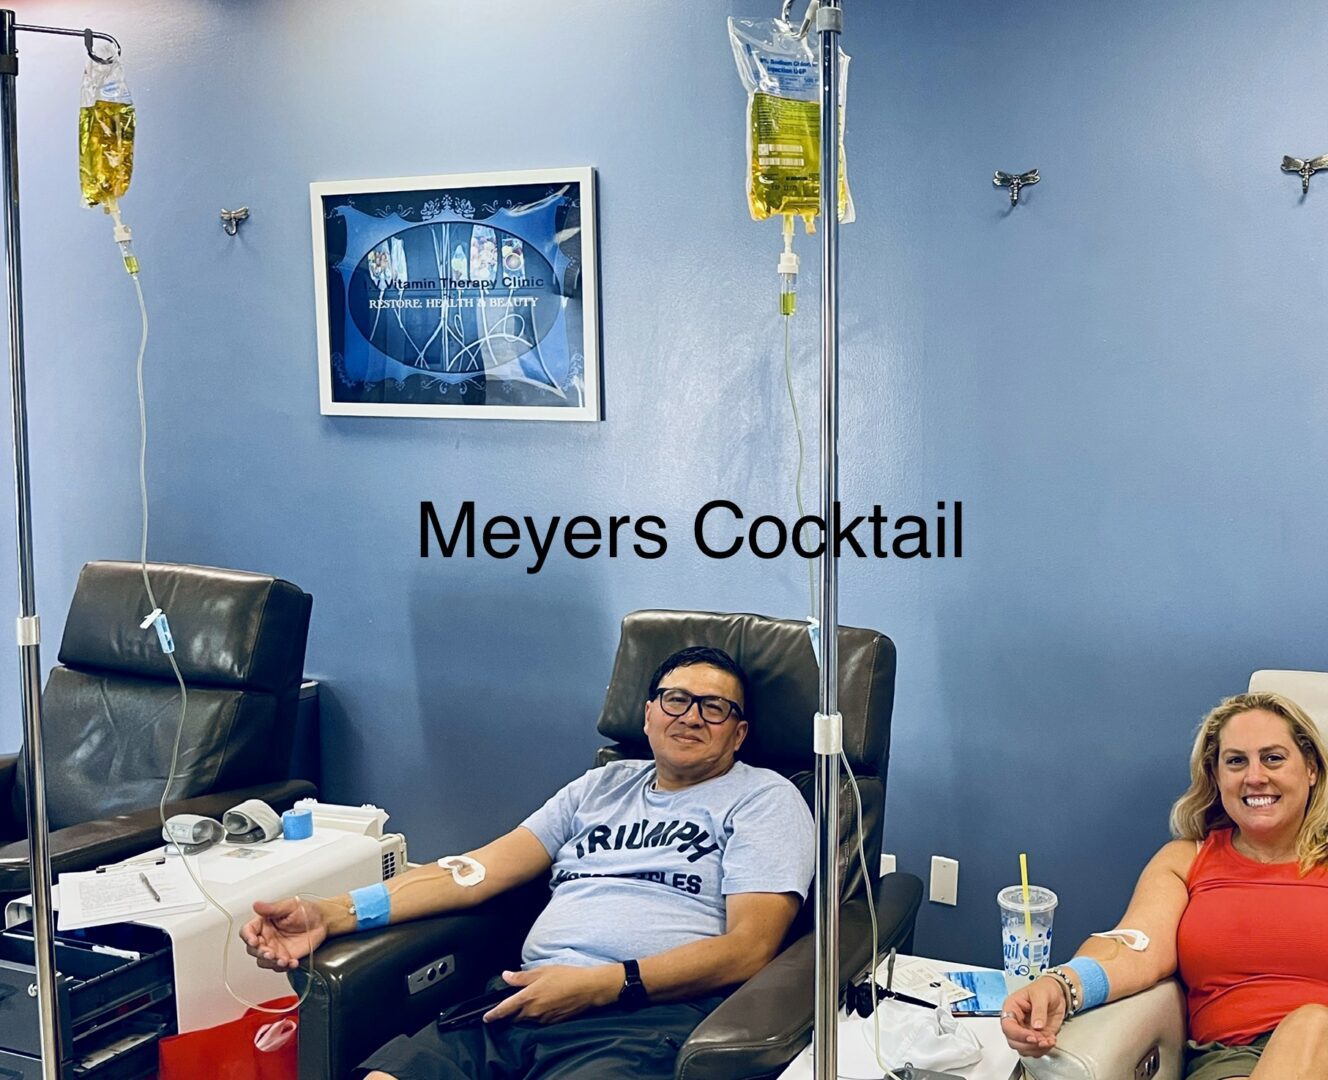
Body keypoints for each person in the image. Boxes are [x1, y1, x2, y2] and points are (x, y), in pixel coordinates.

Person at [241, 645, 816, 1080]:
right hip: (515, 1001)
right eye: (676, 699)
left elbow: (749, 947)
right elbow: (474, 872)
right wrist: (335, 913)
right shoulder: (599, 786)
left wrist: (600, 986)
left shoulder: (764, 798)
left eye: (714, 708)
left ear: (739, 734)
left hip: (644, 1017)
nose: (691, 717)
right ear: (647, 716)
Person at [1002, 691, 1328, 1080]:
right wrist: (1060, 986)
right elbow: (1131, 946)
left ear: (1310, 768)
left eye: (1273, 758)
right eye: (1236, 761)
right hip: (1231, 1063)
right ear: (1216, 776)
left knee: (1311, 1026)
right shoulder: (1187, 861)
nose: (1255, 776)